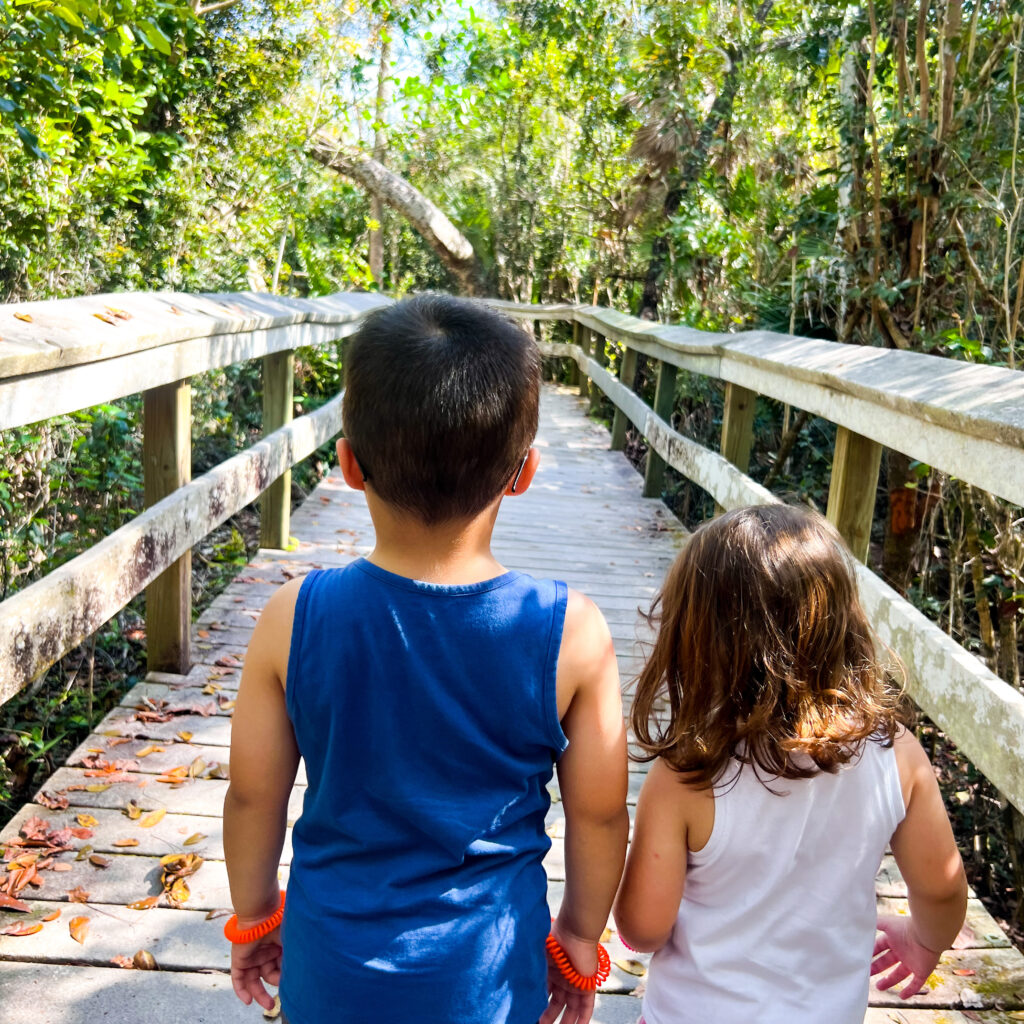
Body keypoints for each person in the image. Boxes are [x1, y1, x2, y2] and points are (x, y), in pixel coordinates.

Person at [223, 295, 630, 1024]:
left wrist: (255, 919)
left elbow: (255, 796)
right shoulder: (572, 633)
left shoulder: (292, 617)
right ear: (525, 471)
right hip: (491, 982)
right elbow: (599, 818)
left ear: (348, 463)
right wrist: (575, 938)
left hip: (333, 974)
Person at [613, 504, 967, 1024]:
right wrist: (922, 941)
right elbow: (942, 886)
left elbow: (643, 928)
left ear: (696, 640)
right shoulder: (898, 756)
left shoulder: (687, 777)